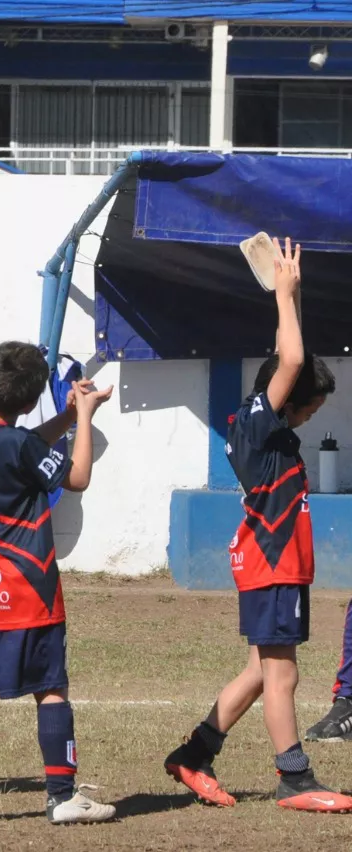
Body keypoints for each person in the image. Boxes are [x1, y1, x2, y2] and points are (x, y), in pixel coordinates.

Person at [165, 239, 352, 813]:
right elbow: (290, 362)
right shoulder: (259, 424)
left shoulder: (260, 423)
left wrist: (286, 306)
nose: (314, 412)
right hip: (271, 564)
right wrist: (286, 294)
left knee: (258, 671)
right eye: (312, 406)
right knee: (282, 674)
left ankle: (193, 755)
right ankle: (294, 777)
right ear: (290, 400)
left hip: (273, 566)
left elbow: (283, 360)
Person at [0, 341, 116, 825]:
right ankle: (62, 796)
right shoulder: (20, 445)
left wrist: (68, 416)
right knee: (52, 689)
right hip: (27, 593)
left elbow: (26, 448)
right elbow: (75, 477)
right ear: (32, 402)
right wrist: (87, 417)